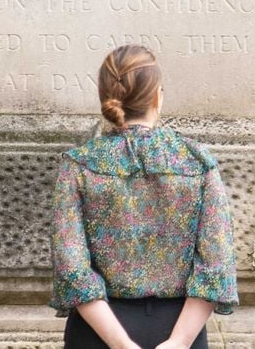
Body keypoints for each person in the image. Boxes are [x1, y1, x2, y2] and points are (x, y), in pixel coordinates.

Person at [50, 44, 238, 349]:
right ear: (158, 96)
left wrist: (122, 345)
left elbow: (73, 270)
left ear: (105, 96)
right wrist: (179, 342)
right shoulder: (196, 161)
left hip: (98, 333)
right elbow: (216, 265)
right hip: (179, 327)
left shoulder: (80, 165)